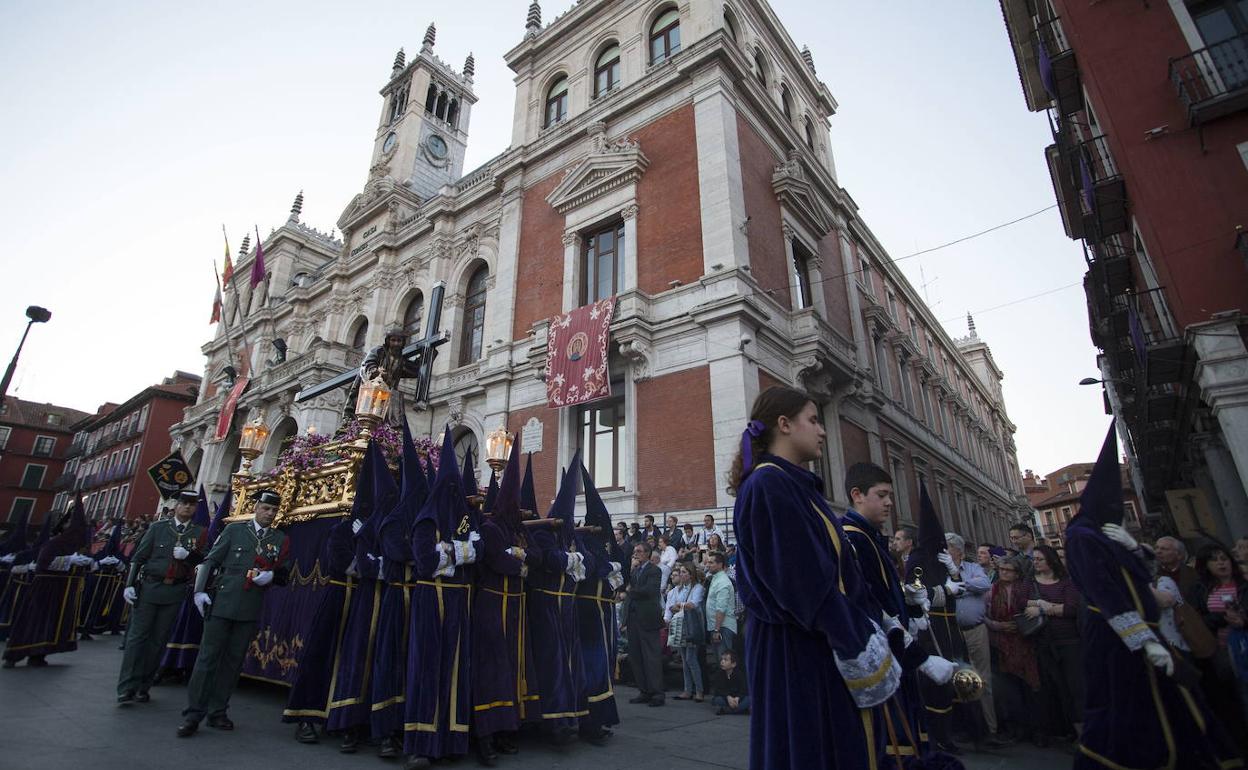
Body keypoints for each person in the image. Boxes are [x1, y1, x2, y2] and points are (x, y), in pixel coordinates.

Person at [732, 386, 917, 770]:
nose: (822, 431)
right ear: (784, 425)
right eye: (813, 420)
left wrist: (884, 631)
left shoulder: (795, 486)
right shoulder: (768, 484)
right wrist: (857, 639)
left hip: (818, 640)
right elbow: (801, 582)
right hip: (794, 648)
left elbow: (841, 577)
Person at [1066, 425, 1240, 768]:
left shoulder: (1108, 534)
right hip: (1116, 640)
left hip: (1148, 633)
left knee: (1177, 706)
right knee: (1125, 715)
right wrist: (1144, 640)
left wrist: (1137, 549)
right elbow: (1107, 595)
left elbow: (1143, 580)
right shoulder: (1082, 536)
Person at [178, 489, 290, 737]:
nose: (269, 514)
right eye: (265, 508)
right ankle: (193, 713)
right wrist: (199, 592)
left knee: (232, 662)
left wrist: (271, 576)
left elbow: (284, 571)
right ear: (256, 507)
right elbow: (211, 561)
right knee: (207, 659)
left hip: (249, 607)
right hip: (222, 604)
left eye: (273, 510)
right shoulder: (235, 531)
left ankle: (218, 711)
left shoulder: (279, 539)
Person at [402, 428, 478, 770]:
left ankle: (450, 739)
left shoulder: (463, 523)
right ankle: (421, 742)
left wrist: (450, 551)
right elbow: (426, 561)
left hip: (457, 602)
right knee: (428, 668)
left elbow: (478, 552)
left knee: (455, 669)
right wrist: (455, 554)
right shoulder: (425, 521)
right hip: (430, 602)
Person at [115, 489, 208, 703]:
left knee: (158, 640)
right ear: (176, 505)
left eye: (192, 504)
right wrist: (129, 585)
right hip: (149, 587)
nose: (187, 507)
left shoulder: (198, 533)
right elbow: (139, 557)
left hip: (174, 591)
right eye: (184, 503)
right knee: (137, 638)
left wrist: (189, 556)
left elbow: (203, 560)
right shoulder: (158, 528)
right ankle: (126, 686)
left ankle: (144, 685)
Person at [2, 500, 93, 668]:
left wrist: (88, 563)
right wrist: (68, 560)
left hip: (61, 592)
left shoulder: (75, 546)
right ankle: (14, 654)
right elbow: (43, 563)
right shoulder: (54, 543)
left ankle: (39, 653)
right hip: (44, 590)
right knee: (34, 621)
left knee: (51, 624)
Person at [574, 464, 622, 747]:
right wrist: (610, 567)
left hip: (607, 610)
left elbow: (620, 568)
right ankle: (588, 722)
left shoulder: (605, 542)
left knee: (606, 667)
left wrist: (613, 567)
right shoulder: (583, 541)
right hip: (589, 611)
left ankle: (603, 718)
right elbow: (596, 569)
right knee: (592, 667)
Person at [946, 532, 1004, 746]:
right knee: (960, 679)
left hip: (976, 630)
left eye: (948, 548)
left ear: (959, 551)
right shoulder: (941, 570)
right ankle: (969, 728)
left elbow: (983, 585)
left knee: (983, 678)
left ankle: (990, 729)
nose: (944, 551)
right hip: (953, 633)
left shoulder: (973, 568)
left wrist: (959, 582)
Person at [1024, 544, 1083, 745]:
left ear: (1051, 560)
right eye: (1034, 559)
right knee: (1057, 689)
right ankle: (1070, 731)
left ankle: (1086, 735)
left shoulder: (1067, 582)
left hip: (1070, 642)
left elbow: (1072, 609)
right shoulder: (1031, 583)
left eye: (1040, 559)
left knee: (1077, 688)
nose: (1036, 562)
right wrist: (1049, 607)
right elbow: (1024, 604)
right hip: (1044, 642)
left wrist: (1041, 607)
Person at [1194, 541, 1248, 751]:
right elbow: (1197, 619)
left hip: (1244, 647)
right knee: (1230, 696)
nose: (1221, 563)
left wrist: (1243, 621)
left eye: (1224, 558)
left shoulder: (1243, 583)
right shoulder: (1201, 588)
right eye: (1214, 560)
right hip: (1219, 650)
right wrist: (1220, 619)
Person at [984, 555, 1040, 744]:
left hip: (1024, 641)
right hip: (1002, 642)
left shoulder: (1026, 589)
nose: (1004, 573)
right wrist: (998, 626)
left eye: (1008, 570)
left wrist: (1020, 622)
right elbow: (985, 614)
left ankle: (1037, 729)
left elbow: (1034, 609)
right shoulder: (992, 590)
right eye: (1001, 570)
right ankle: (1016, 728)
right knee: (1009, 688)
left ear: (1017, 573)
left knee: (1029, 685)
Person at [342, 327, 421, 424]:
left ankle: (391, 432)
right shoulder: (379, 351)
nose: (396, 344)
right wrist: (376, 373)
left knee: (391, 415)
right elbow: (368, 364)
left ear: (403, 342)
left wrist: (428, 352)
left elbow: (414, 370)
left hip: (387, 394)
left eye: (399, 341)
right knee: (364, 417)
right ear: (388, 341)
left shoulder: (401, 360)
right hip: (372, 390)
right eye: (393, 340)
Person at [624, 540, 664, 707]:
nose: (636, 554)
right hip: (633, 619)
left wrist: (630, 592)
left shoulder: (654, 570)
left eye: (639, 551)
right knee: (636, 656)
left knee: (651, 657)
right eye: (635, 551)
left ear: (647, 553)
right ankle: (644, 690)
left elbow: (650, 590)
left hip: (647, 618)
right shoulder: (634, 572)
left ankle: (657, 693)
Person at [665, 562, 705, 702]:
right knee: (684, 659)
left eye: (684, 572)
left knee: (691, 658)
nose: (681, 575)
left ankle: (699, 690)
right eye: (680, 572)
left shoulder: (698, 587)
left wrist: (679, 606)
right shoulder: (678, 589)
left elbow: (693, 604)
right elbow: (671, 607)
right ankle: (687, 690)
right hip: (681, 624)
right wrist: (680, 606)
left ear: (690, 574)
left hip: (693, 625)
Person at [705, 551, 737, 659]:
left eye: (711, 562)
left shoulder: (723, 582)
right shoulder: (716, 578)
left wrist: (716, 630)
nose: (708, 565)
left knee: (725, 662)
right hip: (718, 626)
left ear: (720, 564)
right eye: (708, 562)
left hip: (723, 627)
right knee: (721, 663)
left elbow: (721, 609)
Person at [1155, 535, 1200, 607]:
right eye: (1157, 548)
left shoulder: (1193, 574)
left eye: (1164, 549)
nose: (1158, 551)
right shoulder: (1153, 576)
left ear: (1179, 555)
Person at [710, 649, 750, 715]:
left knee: (750, 699)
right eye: (722, 659)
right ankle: (741, 710)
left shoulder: (739, 674)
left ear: (733, 664)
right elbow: (718, 690)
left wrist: (738, 698)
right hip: (726, 698)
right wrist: (728, 697)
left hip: (737, 699)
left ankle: (726, 710)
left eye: (725, 660)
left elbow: (744, 690)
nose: (722, 662)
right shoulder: (719, 674)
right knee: (716, 700)